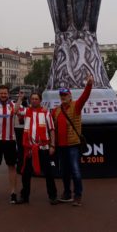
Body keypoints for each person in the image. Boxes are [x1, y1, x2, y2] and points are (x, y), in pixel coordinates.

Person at [52, 75, 93, 207]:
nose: (63, 96)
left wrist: (89, 84)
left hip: (73, 145)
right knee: (64, 171)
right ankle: (67, 193)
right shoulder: (56, 110)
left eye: (65, 94)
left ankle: (78, 195)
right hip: (61, 145)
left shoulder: (76, 106)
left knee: (75, 170)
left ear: (70, 96)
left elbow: (85, 96)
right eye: (61, 95)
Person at [16, 92, 58, 205]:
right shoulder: (26, 111)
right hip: (29, 149)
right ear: (30, 100)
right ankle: (24, 196)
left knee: (48, 173)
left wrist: (52, 145)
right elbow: (15, 110)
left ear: (40, 100)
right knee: (26, 173)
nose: (34, 100)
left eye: (36, 99)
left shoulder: (46, 113)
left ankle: (53, 196)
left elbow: (52, 130)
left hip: (43, 148)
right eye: (32, 99)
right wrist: (20, 98)